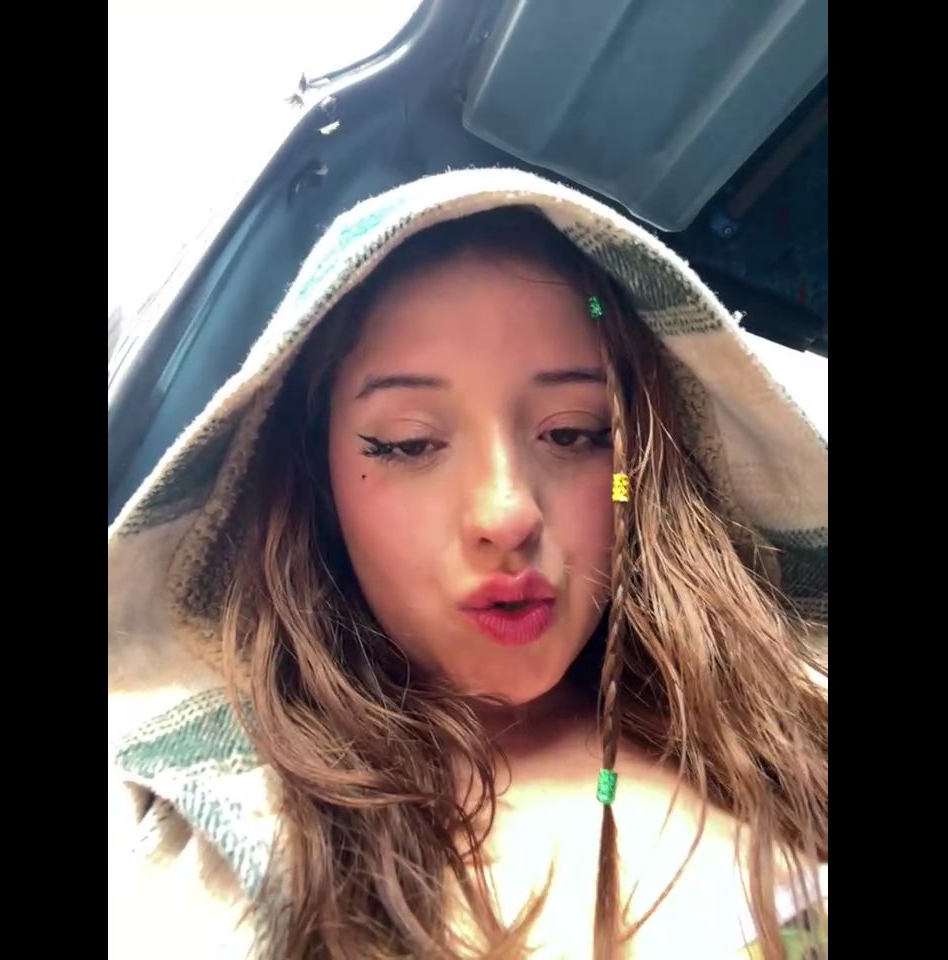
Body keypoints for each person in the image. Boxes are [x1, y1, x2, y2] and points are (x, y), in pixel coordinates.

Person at [108, 168, 827, 959]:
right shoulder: (188, 854)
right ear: (317, 483)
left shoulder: (788, 710)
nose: (507, 513)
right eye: (409, 443)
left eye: (574, 433)